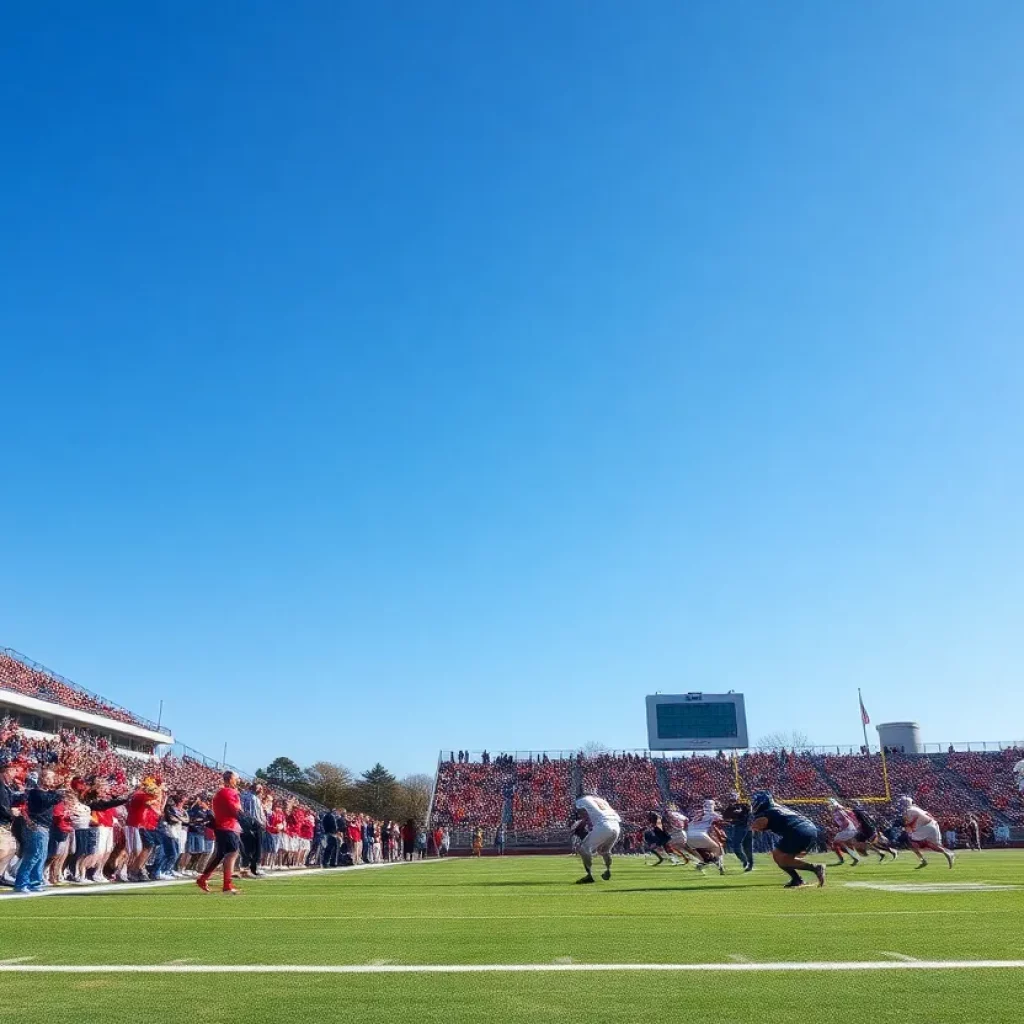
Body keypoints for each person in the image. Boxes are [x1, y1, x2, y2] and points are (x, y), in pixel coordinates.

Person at [749, 791, 825, 889]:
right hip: (808, 829)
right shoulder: (776, 808)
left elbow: (757, 826)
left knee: (780, 857)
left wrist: (750, 826)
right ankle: (798, 879)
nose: (753, 805)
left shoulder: (766, 813)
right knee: (779, 856)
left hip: (798, 830)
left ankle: (814, 868)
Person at [13, 769, 66, 894]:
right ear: (44, 779)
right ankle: (21, 882)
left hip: (44, 827)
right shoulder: (36, 792)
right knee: (33, 855)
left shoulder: (47, 793)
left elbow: (53, 797)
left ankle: (35, 882)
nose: (53, 780)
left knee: (41, 856)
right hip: (36, 826)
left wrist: (57, 789)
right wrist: (59, 789)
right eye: (51, 778)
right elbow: (49, 800)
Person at [196, 770, 243, 894]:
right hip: (228, 826)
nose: (238, 781)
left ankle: (203, 878)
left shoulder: (220, 793)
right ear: (231, 779)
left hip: (221, 826)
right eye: (236, 779)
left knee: (220, 855)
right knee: (232, 853)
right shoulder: (230, 792)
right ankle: (227, 885)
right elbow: (235, 811)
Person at [572, 791, 621, 884]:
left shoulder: (582, 800)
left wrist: (581, 824)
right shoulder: (601, 800)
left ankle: (590, 876)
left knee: (582, 848)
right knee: (604, 851)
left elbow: (583, 814)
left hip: (604, 825)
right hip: (616, 825)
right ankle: (607, 870)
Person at [896, 795, 955, 869]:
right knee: (936, 846)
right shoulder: (915, 808)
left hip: (925, 828)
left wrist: (903, 828)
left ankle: (923, 860)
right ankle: (948, 854)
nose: (901, 806)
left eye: (902, 804)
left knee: (910, 842)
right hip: (933, 824)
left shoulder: (909, 811)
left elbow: (909, 826)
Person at [0, 756, 24, 884]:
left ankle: (1, 875)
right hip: (2, 822)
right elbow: (2, 807)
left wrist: (24, 794)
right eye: (13, 771)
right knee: (4, 850)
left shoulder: (6, 787)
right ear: (5, 772)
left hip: (6, 823)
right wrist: (11, 812)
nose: (14, 775)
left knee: (12, 849)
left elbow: (12, 799)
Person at [687, 800, 726, 874]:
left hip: (689, 837)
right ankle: (720, 866)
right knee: (718, 849)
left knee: (706, 854)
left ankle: (701, 864)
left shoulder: (697, 813)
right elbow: (721, 821)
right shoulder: (714, 814)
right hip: (701, 835)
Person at [239, 782, 267, 878]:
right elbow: (253, 813)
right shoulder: (252, 798)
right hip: (253, 824)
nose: (261, 790)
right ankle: (253, 868)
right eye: (260, 788)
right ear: (255, 788)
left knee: (248, 847)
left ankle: (247, 868)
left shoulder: (248, 796)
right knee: (255, 847)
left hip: (248, 824)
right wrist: (260, 823)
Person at [721, 791, 754, 871]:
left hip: (746, 828)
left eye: (733, 800)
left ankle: (749, 864)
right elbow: (725, 817)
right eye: (731, 800)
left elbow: (749, 812)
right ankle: (745, 861)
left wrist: (740, 812)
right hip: (740, 827)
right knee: (738, 847)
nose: (732, 802)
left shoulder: (744, 805)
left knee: (747, 848)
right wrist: (732, 819)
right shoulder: (729, 808)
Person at [828, 798, 863, 866]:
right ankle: (855, 858)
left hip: (848, 829)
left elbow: (844, 819)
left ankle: (842, 859)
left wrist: (835, 805)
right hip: (851, 829)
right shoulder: (837, 812)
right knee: (847, 844)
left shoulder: (838, 811)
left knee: (835, 843)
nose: (830, 807)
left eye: (830, 806)